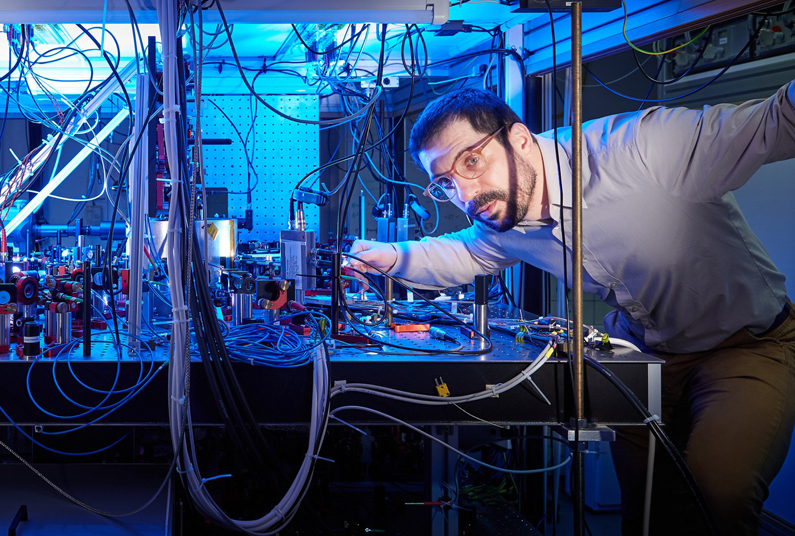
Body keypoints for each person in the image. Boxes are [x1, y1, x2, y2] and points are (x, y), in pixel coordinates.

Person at [348, 85, 795, 535]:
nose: (466, 195)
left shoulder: (640, 147)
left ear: (520, 139)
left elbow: (775, 121)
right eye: (445, 183)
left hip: (746, 345)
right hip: (644, 354)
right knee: (643, 509)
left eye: (471, 162)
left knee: (716, 494)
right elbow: (464, 253)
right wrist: (383, 256)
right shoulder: (504, 218)